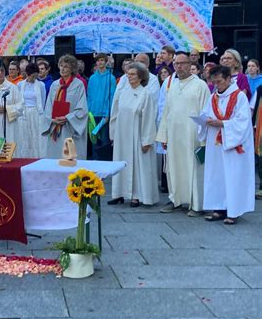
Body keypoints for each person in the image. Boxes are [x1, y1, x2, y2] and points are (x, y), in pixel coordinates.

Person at [156, 53, 210, 216]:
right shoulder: (171, 85)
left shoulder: (200, 85)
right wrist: (163, 135)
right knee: (173, 167)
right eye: (176, 63)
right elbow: (166, 111)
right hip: (174, 133)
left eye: (182, 63)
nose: (179, 66)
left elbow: (206, 112)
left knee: (193, 167)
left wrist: (203, 138)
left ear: (189, 64)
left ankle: (196, 204)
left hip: (192, 134)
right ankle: (176, 199)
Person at [199, 65, 255, 224]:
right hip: (215, 144)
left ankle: (233, 211)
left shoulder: (239, 97)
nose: (217, 85)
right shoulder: (213, 97)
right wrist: (204, 122)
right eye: (215, 82)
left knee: (232, 176)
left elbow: (243, 122)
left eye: (220, 81)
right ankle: (219, 208)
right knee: (217, 175)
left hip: (232, 145)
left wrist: (222, 124)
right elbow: (205, 114)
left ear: (229, 79)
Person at [109, 62, 159, 207]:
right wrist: (113, 133)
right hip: (122, 135)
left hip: (137, 135)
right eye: (128, 74)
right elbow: (115, 112)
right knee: (120, 162)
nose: (129, 77)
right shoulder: (123, 92)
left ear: (141, 77)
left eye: (132, 74)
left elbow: (149, 117)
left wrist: (147, 140)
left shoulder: (146, 94)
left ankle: (136, 195)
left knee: (136, 165)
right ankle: (119, 193)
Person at [42, 54, 88, 159]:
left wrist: (67, 118)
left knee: (71, 158)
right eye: (61, 65)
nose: (62, 68)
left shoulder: (79, 85)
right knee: (56, 158)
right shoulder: (55, 85)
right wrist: (52, 119)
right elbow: (49, 106)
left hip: (71, 127)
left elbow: (82, 109)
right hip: (56, 127)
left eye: (66, 66)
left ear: (72, 68)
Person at [87, 53, 116, 160]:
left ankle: (106, 165)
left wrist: (109, 113)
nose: (100, 62)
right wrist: (88, 112)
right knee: (94, 141)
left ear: (106, 62)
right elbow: (89, 96)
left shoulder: (111, 78)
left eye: (102, 60)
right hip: (93, 114)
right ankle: (95, 165)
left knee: (104, 142)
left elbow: (112, 97)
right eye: (98, 60)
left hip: (105, 115)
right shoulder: (92, 78)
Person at [16, 62, 46, 158]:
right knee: (24, 137)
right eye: (33, 76)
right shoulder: (20, 85)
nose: (34, 78)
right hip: (23, 114)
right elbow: (18, 100)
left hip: (36, 113)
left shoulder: (41, 85)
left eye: (36, 76)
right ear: (28, 74)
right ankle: (24, 157)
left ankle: (37, 157)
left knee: (36, 137)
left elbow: (43, 100)